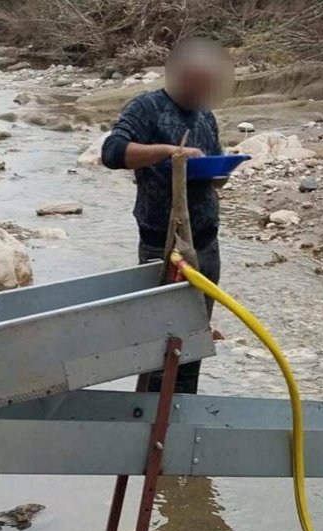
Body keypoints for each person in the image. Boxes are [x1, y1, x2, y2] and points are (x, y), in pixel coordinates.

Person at [101, 37, 232, 394]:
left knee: (193, 342)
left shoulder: (205, 115)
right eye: (196, 81)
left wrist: (219, 171)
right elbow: (112, 152)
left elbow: (210, 169)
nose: (202, 89)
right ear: (179, 76)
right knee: (161, 343)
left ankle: (182, 418)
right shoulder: (147, 108)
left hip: (205, 241)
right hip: (162, 243)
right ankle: (149, 423)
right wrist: (169, 152)